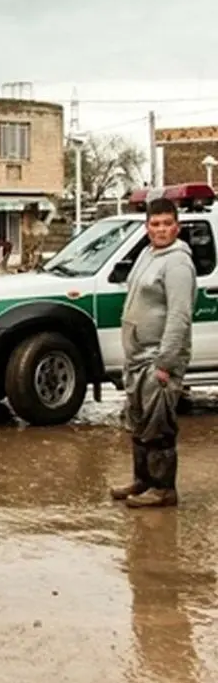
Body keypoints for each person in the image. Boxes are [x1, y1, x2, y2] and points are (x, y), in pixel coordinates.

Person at [110, 197, 197, 509]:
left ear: (177, 226)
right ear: (147, 228)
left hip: (157, 357)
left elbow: (179, 316)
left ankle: (163, 489)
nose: (161, 230)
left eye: (166, 224)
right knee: (139, 420)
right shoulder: (148, 254)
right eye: (155, 224)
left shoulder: (178, 263)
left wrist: (166, 362)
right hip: (137, 356)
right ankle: (143, 479)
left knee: (158, 424)